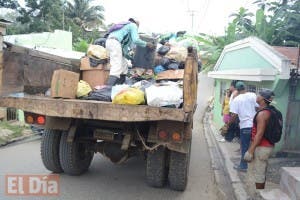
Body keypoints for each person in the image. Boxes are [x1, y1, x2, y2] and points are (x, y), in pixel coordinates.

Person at [105, 18, 155, 86]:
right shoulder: (132, 25)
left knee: (124, 65)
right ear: (136, 24)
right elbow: (136, 40)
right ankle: (108, 88)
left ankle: (120, 86)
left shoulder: (125, 27)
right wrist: (147, 44)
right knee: (117, 66)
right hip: (115, 43)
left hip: (109, 42)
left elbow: (124, 50)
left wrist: (130, 58)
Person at [244, 89, 275, 189]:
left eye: (259, 95)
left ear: (263, 99)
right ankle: (255, 193)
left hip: (261, 147)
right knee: (259, 170)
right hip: (267, 146)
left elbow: (259, 134)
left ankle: (258, 195)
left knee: (259, 173)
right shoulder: (269, 110)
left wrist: (250, 151)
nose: (257, 96)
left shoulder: (262, 114)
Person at [229, 81, 258, 172]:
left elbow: (234, 115)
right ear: (245, 87)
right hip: (255, 125)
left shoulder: (236, 99)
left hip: (245, 126)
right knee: (254, 145)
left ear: (237, 90)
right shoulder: (253, 95)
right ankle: (254, 166)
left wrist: (229, 124)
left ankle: (243, 166)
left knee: (244, 146)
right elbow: (258, 107)